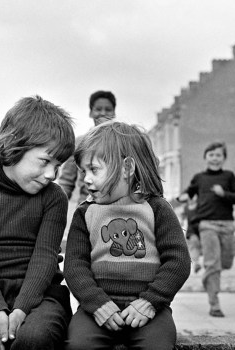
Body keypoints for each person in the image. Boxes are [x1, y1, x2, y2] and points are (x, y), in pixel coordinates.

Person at [0, 96, 75, 350]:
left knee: (33, 339)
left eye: (58, 165)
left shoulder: (54, 197)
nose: (52, 174)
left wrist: (20, 310)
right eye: (45, 161)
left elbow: (45, 258)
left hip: (42, 297)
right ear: (13, 147)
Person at [64, 121, 191, 350]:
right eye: (84, 171)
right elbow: (75, 265)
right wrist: (96, 303)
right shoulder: (85, 213)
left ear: (127, 168)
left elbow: (178, 261)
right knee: (78, 345)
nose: (86, 179)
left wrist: (150, 302)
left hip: (148, 311)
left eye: (94, 169)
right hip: (97, 311)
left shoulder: (157, 208)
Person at [178, 141, 235, 317]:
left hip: (227, 225)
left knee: (226, 262)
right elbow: (188, 192)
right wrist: (183, 197)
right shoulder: (199, 178)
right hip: (206, 224)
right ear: (206, 157)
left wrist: (224, 194)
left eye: (218, 155)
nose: (215, 158)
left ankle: (208, 276)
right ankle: (214, 304)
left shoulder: (229, 176)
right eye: (211, 155)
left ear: (224, 158)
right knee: (213, 264)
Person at [58, 90, 116, 204]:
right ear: (91, 113)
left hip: (117, 209)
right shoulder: (79, 142)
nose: (103, 113)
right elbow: (66, 181)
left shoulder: (124, 141)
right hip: (86, 208)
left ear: (114, 113)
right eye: (98, 109)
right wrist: (57, 207)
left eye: (108, 109)